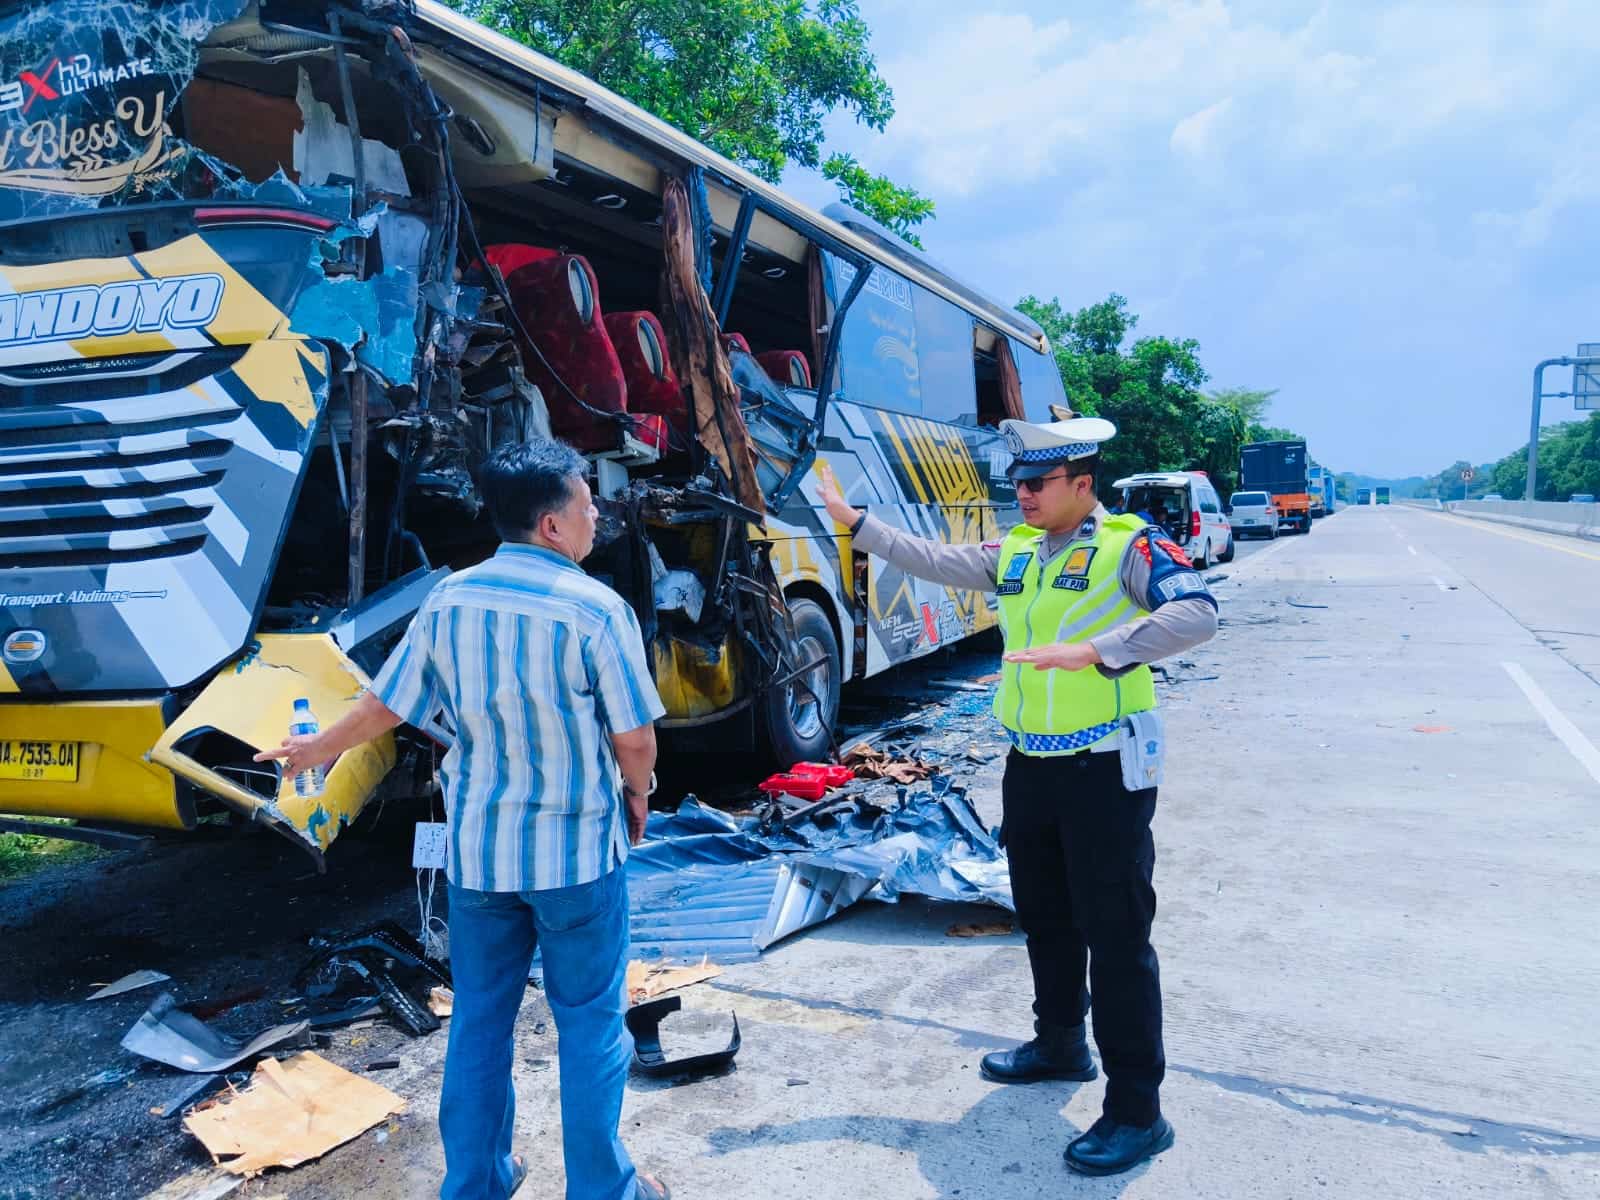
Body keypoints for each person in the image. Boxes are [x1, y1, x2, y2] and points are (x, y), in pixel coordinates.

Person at [257, 439, 670, 1200]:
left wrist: (316, 748)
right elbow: (635, 739)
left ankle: (478, 1181)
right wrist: (638, 792)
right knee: (589, 1025)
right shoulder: (596, 609)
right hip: (578, 860)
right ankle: (602, 1190)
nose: (596, 516)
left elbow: (386, 704)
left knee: (480, 1021)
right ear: (551, 524)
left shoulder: (449, 600)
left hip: (480, 861)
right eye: (587, 505)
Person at [817, 414, 1218, 1177]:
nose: (1023, 494)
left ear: (1082, 483)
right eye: (1018, 482)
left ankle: (1138, 1110)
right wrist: (856, 523)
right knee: (1045, 914)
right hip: (1031, 764)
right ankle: (1061, 1042)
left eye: (1037, 482)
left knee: (1116, 935)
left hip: (1104, 768)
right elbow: (936, 559)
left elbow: (1197, 613)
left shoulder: (1128, 546)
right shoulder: (1020, 549)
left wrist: (1098, 651)